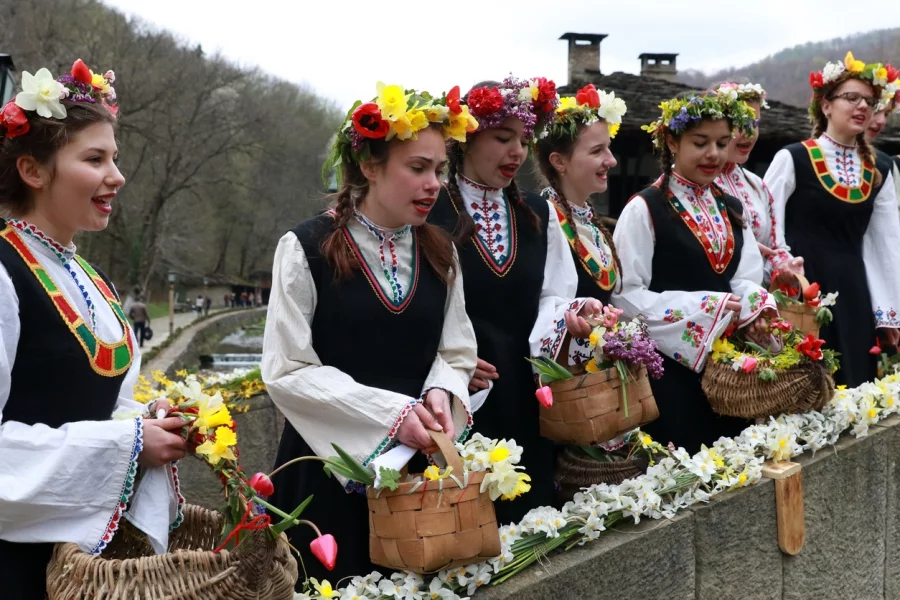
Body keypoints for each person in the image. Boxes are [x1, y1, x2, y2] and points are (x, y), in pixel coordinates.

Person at [262, 82, 477, 584]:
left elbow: (456, 349)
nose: (434, 185)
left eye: (440, 170)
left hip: (422, 474)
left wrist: (442, 391)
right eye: (418, 168)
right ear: (369, 166)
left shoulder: (443, 252)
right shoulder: (306, 247)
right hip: (326, 475)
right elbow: (285, 368)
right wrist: (390, 414)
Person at [0, 59, 185, 599]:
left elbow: (104, 404)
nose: (117, 175)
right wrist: (128, 445)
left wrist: (148, 424)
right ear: (34, 171)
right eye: (94, 158)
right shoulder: (4, 270)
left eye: (115, 158)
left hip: (89, 565)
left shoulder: (83, 273)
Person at [429, 76, 594, 522]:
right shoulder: (429, 212)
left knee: (530, 515)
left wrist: (572, 316)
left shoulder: (539, 215)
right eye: (503, 138)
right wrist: (445, 363)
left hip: (526, 392)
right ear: (465, 139)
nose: (517, 152)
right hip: (461, 395)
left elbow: (555, 296)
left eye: (523, 140)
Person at [612, 91, 776, 453]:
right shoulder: (644, 208)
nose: (714, 154)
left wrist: (755, 308)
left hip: (730, 375)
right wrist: (704, 310)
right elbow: (625, 295)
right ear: (672, 141)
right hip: (669, 371)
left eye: (721, 142)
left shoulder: (730, 206)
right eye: (700, 143)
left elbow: (744, 275)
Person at [765, 52, 900, 387]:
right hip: (802, 290)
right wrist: (782, 277)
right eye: (851, 98)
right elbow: (765, 225)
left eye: (869, 101)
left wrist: (887, 313)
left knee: (852, 383)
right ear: (825, 105)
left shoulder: (880, 168)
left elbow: (885, 244)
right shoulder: (793, 158)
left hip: (854, 291)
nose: (863, 107)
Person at [530, 84, 627, 366]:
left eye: (608, 149)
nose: (611, 160)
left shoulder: (592, 223)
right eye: (597, 151)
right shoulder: (541, 222)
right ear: (559, 162)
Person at [712, 82, 805, 286]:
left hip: (756, 304)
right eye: (739, 122)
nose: (749, 133)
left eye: (754, 123)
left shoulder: (757, 186)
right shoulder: (691, 181)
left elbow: (776, 247)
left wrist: (785, 266)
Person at [863, 72, 900, 202]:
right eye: (877, 111)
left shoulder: (885, 165)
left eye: (886, 114)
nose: (882, 121)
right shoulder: (800, 156)